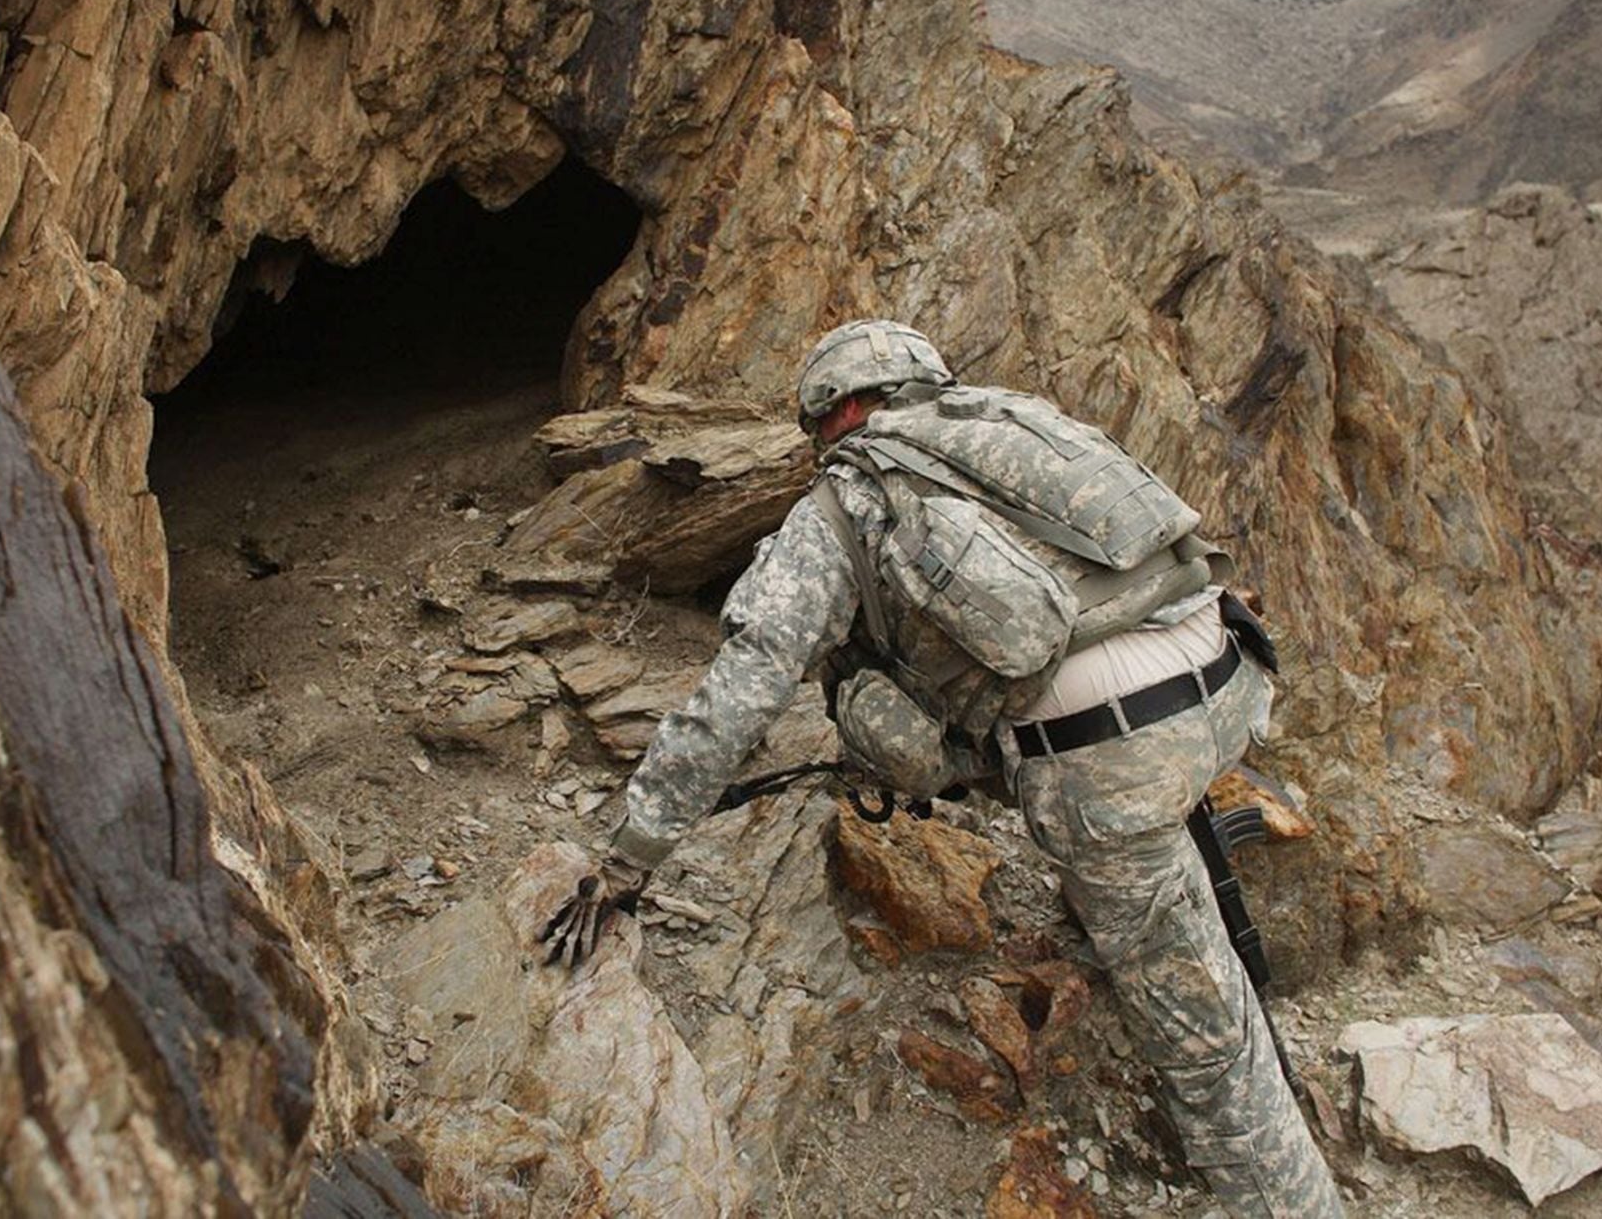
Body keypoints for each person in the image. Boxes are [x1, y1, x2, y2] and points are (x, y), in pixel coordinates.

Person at [537, 320, 1345, 1218]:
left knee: (1210, 1049)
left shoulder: (844, 499)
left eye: (817, 431)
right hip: (1232, 672)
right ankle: (1127, 878)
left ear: (839, 410)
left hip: (1112, 761)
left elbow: (738, 695)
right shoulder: (1015, 421)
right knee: (1108, 786)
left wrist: (626, 860)